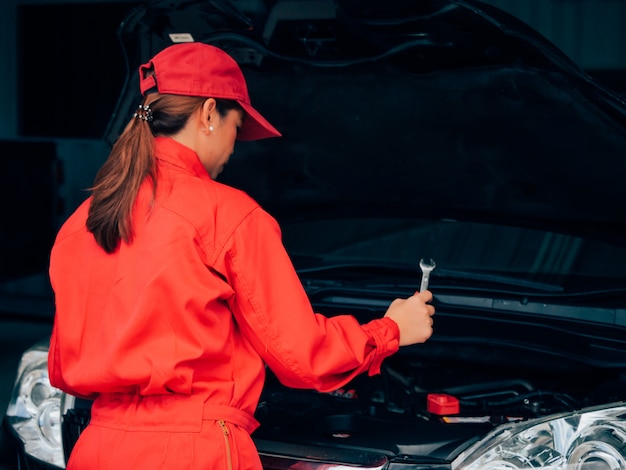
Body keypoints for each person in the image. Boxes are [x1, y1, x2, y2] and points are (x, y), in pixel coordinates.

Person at [48, 42, 435, 469]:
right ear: (210, 113)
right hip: (191, 454)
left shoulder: (83, 220)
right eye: (237, 128)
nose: (235, 148)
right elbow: (303, 357)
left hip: (97, 449)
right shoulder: (227, 213)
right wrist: (390, 329)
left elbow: (63, 368)